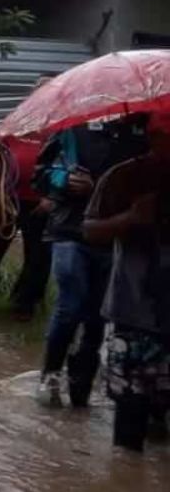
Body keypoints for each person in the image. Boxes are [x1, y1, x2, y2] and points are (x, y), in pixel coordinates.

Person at [34, 114, 150, 407]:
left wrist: (96, 184)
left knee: (100, 314)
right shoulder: (74, 127)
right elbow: (41, 173)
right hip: (69, 230)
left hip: (115, 234)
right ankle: (50, 373)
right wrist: (63, 179)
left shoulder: (143, 134)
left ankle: (82, 380)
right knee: (70, 304)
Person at [82, 111, 170, 451]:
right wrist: (131, 218)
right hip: (133, 311)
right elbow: (89, 231)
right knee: (130, 409)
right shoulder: (122, 177)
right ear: (152, 136)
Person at [0, 76, 56, 320]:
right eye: (39, 94)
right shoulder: (14, 123)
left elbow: (67, 162)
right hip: (7, 199)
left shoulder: (61, 127)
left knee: (39, 256)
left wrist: (52, 197)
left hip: (41, 202)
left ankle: (24, 305)